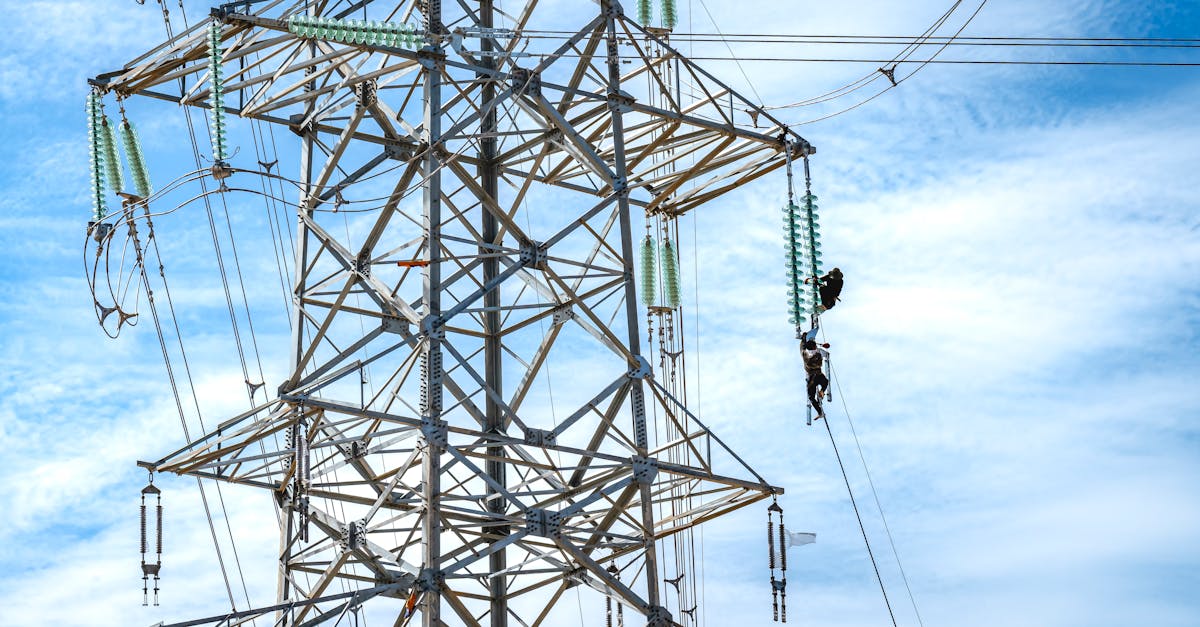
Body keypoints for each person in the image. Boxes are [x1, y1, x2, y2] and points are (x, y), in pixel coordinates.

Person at [801, 339, 830, 419]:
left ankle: (820, 412)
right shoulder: (817, 354)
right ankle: (822, 391)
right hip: (817, 375)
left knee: (811, 397)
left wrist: (804, 338)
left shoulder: (803, 352)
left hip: (811, 378)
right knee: (825, 382)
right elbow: (820, 363)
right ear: (814, 347)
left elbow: (802, 346)